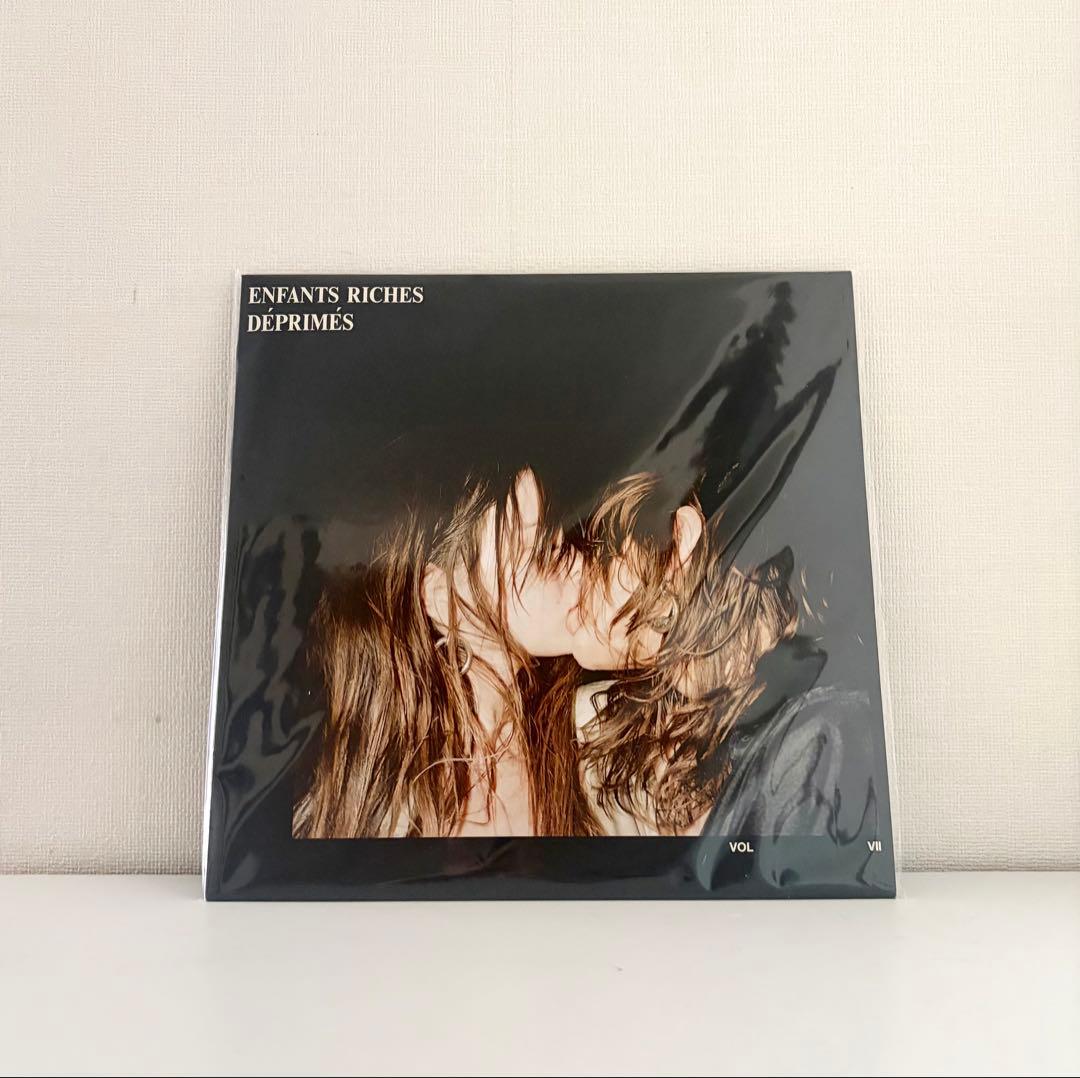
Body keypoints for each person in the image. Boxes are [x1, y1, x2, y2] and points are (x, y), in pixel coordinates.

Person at [294, 467, 596, 839]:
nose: (579, 564)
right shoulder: (382, 809)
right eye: (540, 551)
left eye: (560, 542)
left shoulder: (586, 736)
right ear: (439, 596)